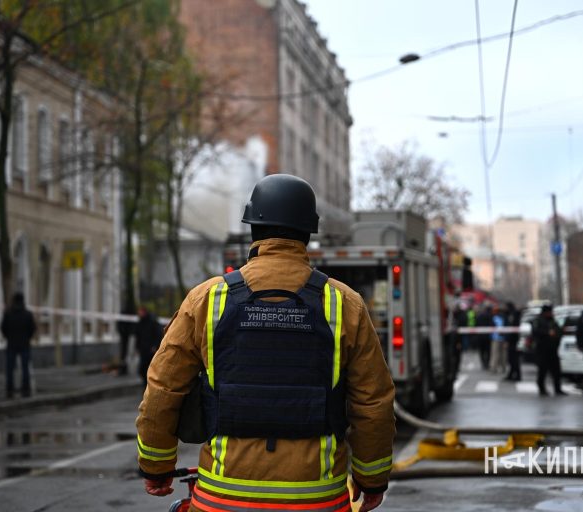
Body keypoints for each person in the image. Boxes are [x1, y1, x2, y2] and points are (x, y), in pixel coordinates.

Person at [136, 174, 395, 512]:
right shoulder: (344, 304)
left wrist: (156, 467)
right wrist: (371, 478)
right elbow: (373, 403)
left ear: (252, 229)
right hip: (317, 501)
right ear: (308, 233)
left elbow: (163, 389)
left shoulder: (207, 299)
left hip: (222, 500)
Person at [1, 292, 37, 398]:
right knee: (25, 368)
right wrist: (27, 337)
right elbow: (32, 328)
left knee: (10, 369)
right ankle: (26, 389)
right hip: (24, 344)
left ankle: (9, 390)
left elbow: (3, 328)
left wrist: (9, 337)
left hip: (11, 344)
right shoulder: (27, 314)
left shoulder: (8, 313)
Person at [531, 304, 565, 396]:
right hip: (542, 349)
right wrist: (547, 333)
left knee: (556, 370)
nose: (551, 314)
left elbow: (558, 331)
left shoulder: (553, 321)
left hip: (552, 349)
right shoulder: (538, 320)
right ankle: (542, 389)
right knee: (542, 370)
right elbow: (535, 332)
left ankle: (558, 389)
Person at [135, 305, 163, 383]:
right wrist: (137, 347)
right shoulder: (140, 323)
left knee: (150, 368)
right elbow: (138, 336)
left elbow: (158, 334)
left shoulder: (152, 322)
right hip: (143, 350)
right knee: (143, 369)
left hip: (151, 350)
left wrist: (155, 346)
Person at [504, 302, 522, 382]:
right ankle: (512, 374)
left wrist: (507, 340)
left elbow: (511, 329)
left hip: (513, 341)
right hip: (513, 340)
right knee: (512, 359)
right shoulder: (512, 315)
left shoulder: (513, 315)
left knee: (514, 359)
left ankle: (517, 375)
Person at [117, 305, 135, 376]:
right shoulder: (127, 315)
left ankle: (124, 368)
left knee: (125, 353)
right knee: (124, 353)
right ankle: (123, 368)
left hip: (127, 336)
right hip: (125, 336)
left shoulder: (126, 315)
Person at [489, 305, 506, 373]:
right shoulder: (503, 318)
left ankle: (494, 367)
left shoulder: (495, 318)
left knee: (495, 354)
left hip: (496, 338)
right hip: (501, 338)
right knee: (502, 354)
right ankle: (502, 367)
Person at [476, 305, 493, 370]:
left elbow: (476, 324)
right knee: (488, 351)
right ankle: (487, 363)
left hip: (480, 336)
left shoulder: (479, 316)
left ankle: (483, 363)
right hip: (488, 337)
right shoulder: (490, 316)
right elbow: (492, 325)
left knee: (481, 351)